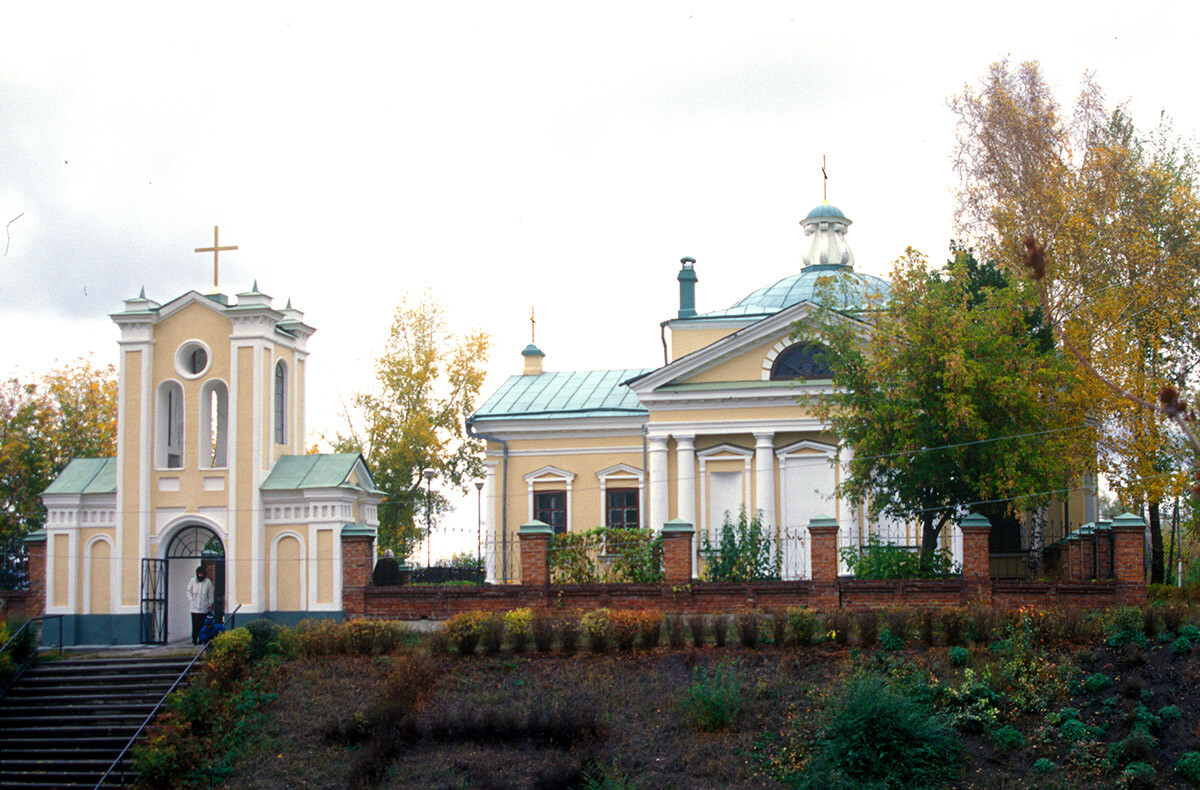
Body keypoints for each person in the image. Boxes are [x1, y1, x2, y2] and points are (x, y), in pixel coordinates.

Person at [186, 566, 214, 645]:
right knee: (195, 625)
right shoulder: (192, 581)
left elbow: (210, 594)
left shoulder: (208, 582)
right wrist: (191, 601)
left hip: (203, 608)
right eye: (199, 574)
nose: (200, 575)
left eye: (201, 574)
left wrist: (210, 604)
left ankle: (201, 639)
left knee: (202, 625)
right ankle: (194, 639)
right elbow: (188, 591)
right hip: (194, 608)